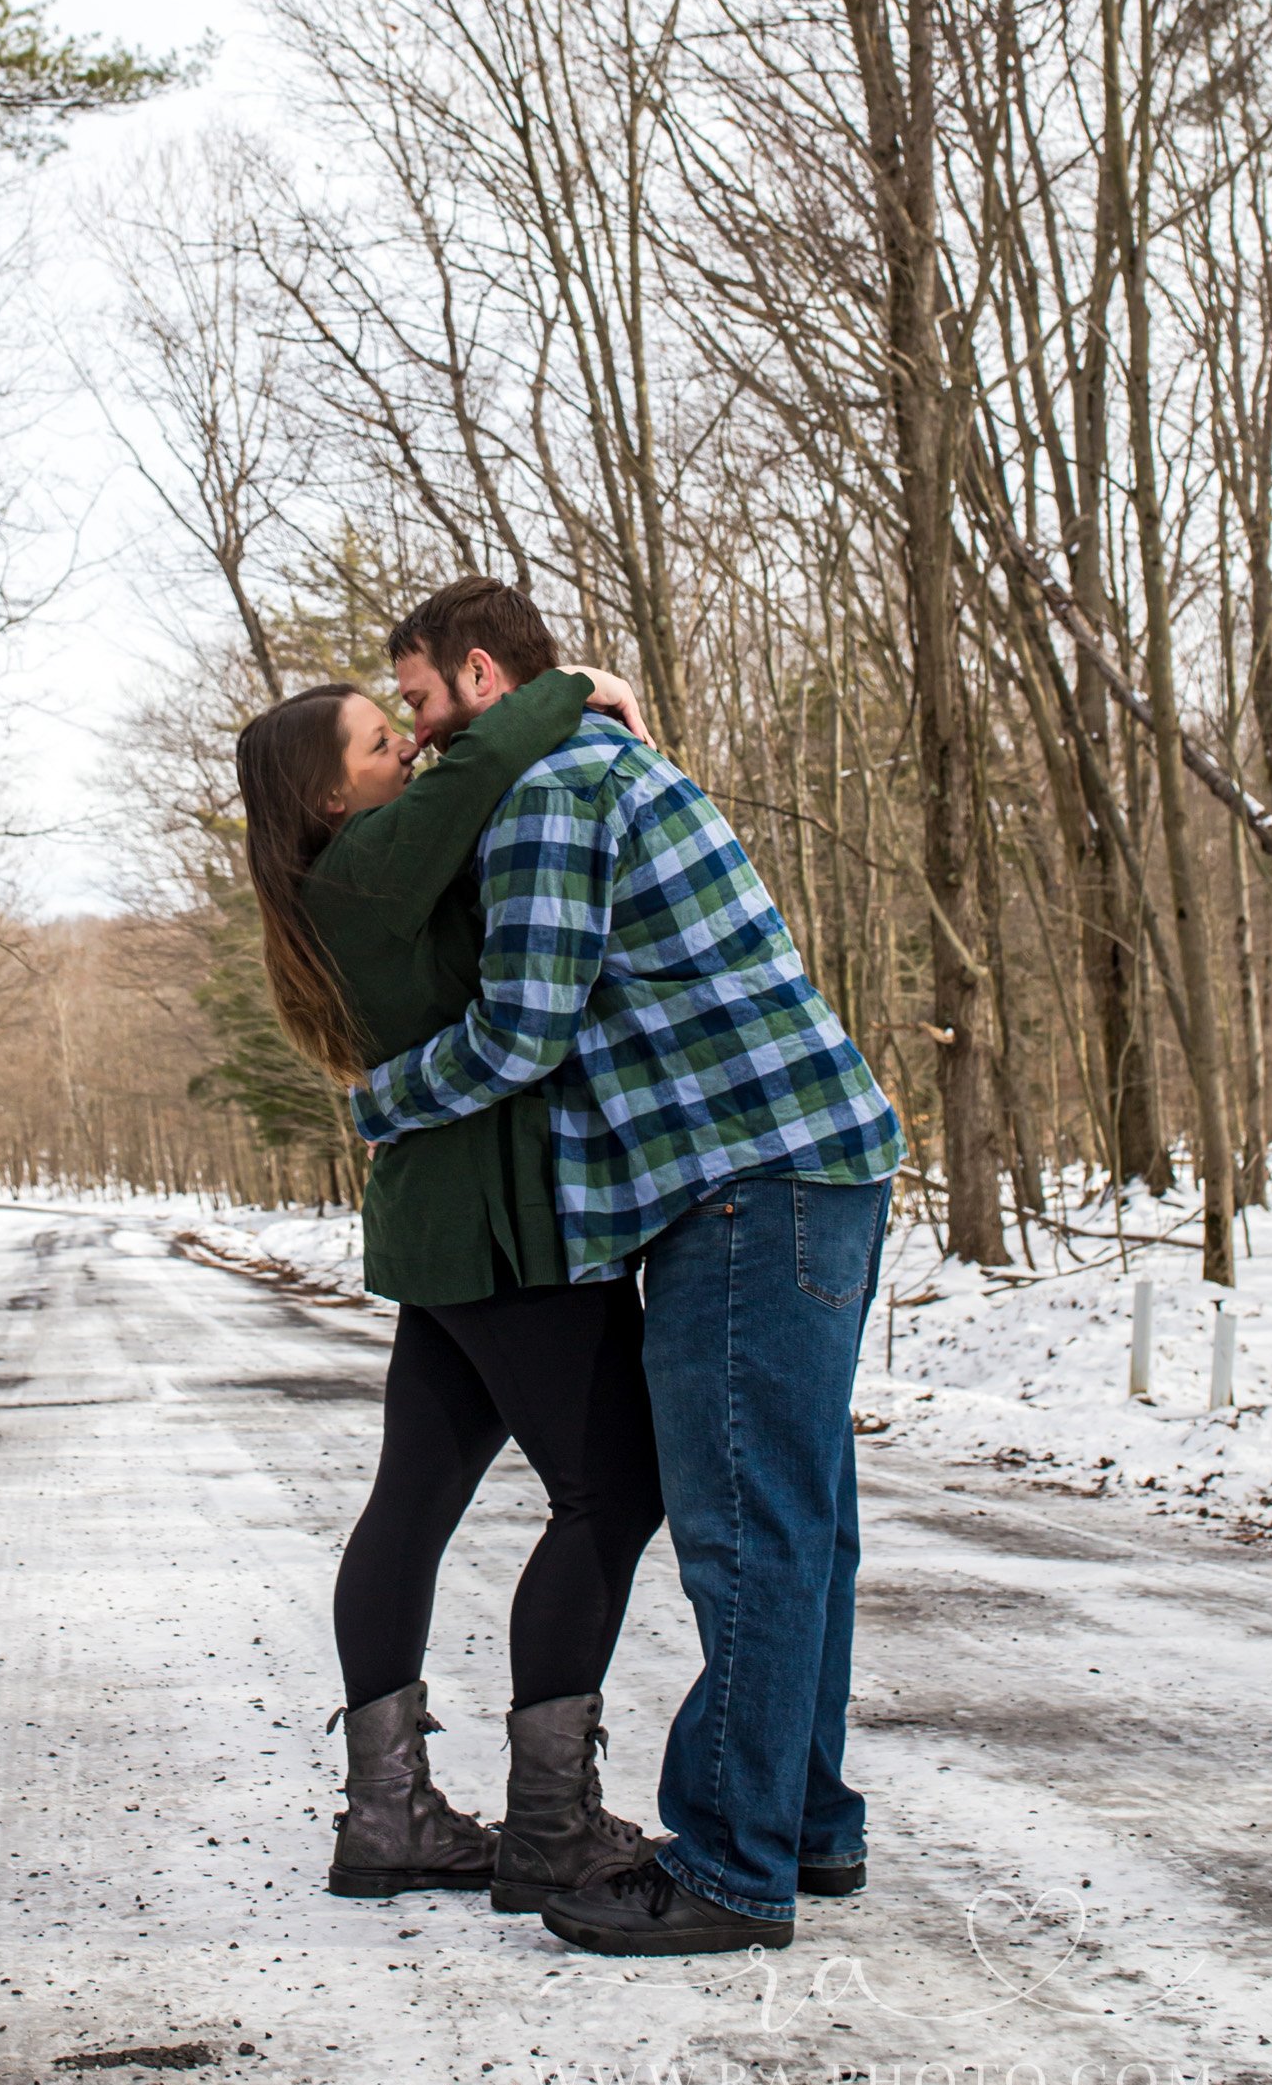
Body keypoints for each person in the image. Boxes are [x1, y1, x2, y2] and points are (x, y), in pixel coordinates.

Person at [352, 577, 904, 1959]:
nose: (415, 741)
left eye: (417, 703)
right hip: (806, 1172)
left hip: (743, 1186)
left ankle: (728, 1866)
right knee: (804, 1524)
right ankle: (805, 1823)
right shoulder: (614, 761)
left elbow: (521, 1031)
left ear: (482, 676)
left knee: (743, 1534)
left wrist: (379, 1098)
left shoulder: (546, 797)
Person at [234, 632, 665, 1917]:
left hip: (441, 1225)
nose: (409, 748)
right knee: (613, 1491)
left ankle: (387, 1819)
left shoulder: (357, 873)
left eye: (400, 725)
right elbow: (478, 764)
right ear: (330, 797)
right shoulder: (367, 861)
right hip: (494, 1228)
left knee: (411, 1505)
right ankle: (548, 1825)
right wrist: (577, 688)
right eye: (380, 743)